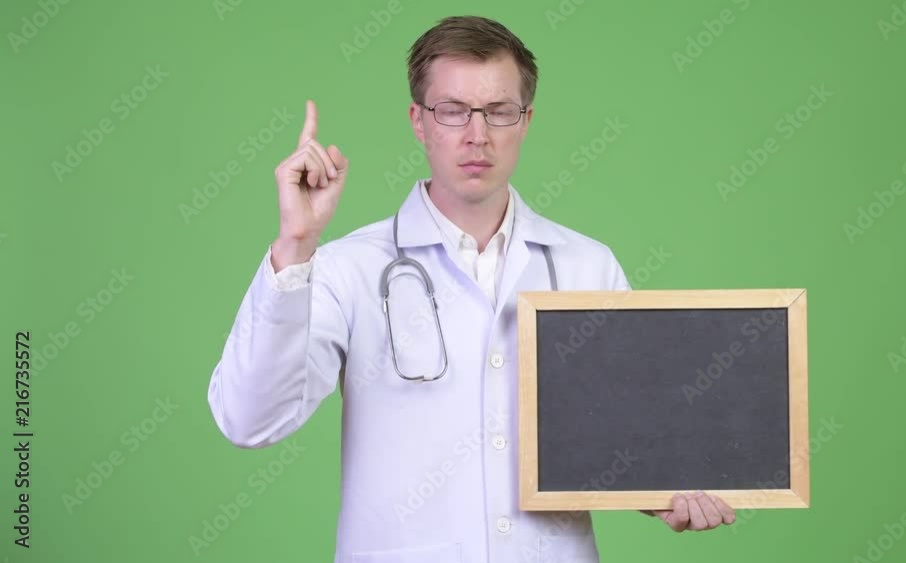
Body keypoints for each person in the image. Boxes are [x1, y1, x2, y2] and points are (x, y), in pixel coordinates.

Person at [207, 15, 735, 562]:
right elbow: (250, 421)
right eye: (452, 110)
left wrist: (662, 497)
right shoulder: (348, 268)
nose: (476, 135)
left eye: (499, 111)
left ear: (526, 120)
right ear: (418, 120)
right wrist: (295, 244)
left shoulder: (586, 266)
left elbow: (630, 440)